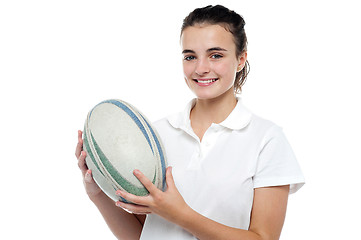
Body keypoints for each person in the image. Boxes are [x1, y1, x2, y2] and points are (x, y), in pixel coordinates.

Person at [75, 5, 304, 240]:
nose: (201, 68)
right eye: (190, 56)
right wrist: (97, 193)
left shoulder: (266, 139)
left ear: (240, 59)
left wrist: (180, 214)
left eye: (216, 55)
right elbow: (142, 236)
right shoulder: (156, 136)